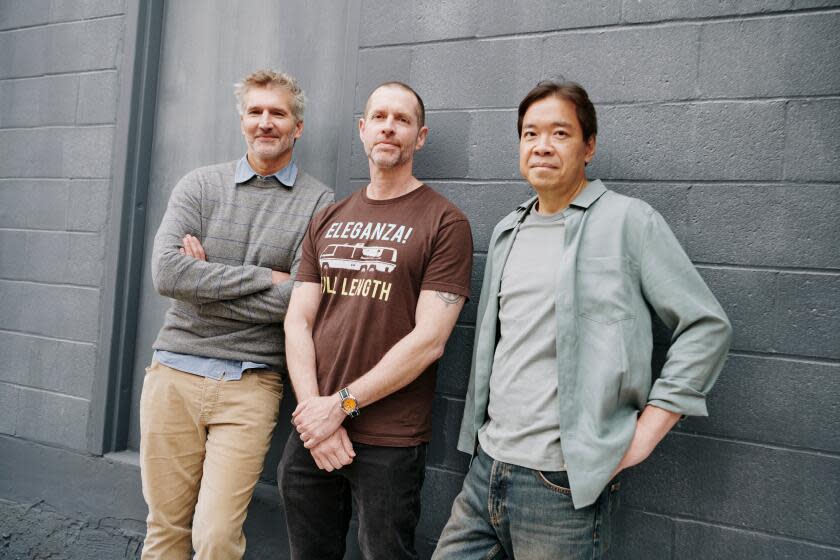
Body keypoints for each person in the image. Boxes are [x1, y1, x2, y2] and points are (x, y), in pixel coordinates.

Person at [433, 80, 732, 559]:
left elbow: (706, 326)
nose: (542, 146)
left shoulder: (629, 222)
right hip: (486, 469)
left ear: (588, 146)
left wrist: (647, 433)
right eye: (530, 134)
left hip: (562, 486)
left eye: (560, 133)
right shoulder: (509, 230)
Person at [139, 69, 333, 559]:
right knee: (165, 530)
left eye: (278, 113)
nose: (265, 122)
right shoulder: (200, 186)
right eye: (255, 112)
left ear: (298, 126)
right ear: (242, 120)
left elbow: (302, 301)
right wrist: (266, 276)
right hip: (173, 375)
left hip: (250, 384)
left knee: (216, 538)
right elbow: (167, 275)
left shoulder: (319, 203)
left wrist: (204, 283)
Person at [279, 81, 474, 560]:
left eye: (403, 119)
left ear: (420, 136)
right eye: (380, 117)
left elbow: (429, 340)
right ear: (363, 131)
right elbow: (297, 321)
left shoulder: (445, 223)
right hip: (314, 429)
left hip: (390, 437)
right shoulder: (327, 218)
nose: (390, 127)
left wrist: (341, 405)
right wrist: (316, 415)